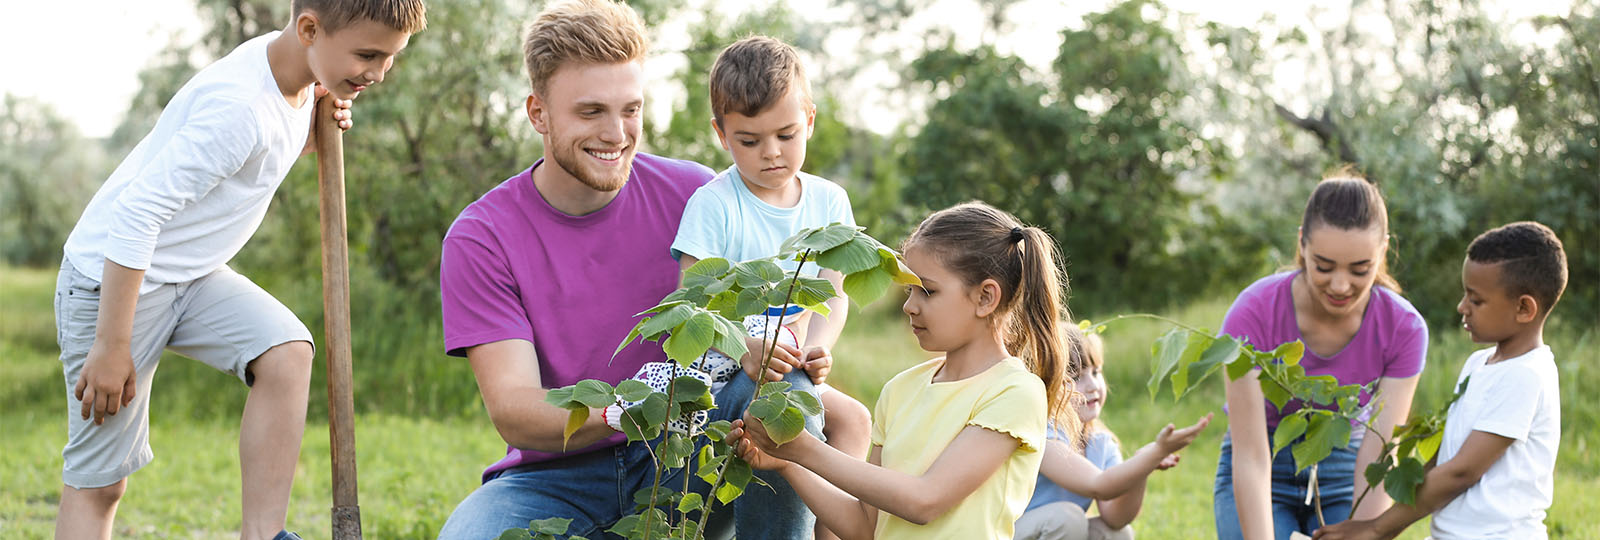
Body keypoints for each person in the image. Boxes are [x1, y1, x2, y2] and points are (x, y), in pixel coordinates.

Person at [435, 2, 823, 538]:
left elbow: (770, 327)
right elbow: (518, 412)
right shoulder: (483, 236)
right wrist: (639, 408)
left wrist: (803, 359)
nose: (617, 133)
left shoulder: (698, 196)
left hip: (689, 457)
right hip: (555, 476)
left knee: (784, 392)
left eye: (630, 109)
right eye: (591, 112)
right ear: (538, 113)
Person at [52, 2, 425, 539]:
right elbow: (137, 214)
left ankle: (263, 534)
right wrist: (112, 346)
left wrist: (313, 129)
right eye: (368, 54)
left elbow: (256, 152)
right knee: (100, 484)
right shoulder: (239, 106)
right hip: (111, 285)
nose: (377, 73)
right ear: (309, 29)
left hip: (191, 275)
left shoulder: (295, 79)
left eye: (390, 58)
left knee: (285, 353)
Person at [729, 201, 1074, 539]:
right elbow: (865, 527)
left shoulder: (1014, 391)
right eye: (909, 290)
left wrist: (803, 449)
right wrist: (788, 464)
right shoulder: (900, 389)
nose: (909, 305)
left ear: (986, 297)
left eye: (927, 290)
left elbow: (925, 501)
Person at [668, 35, 873, 517]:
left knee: (856, 421)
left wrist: (819, 345)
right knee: (786, 408)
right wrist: (745, 349)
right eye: (749, 141)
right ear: (721, 135)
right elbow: (689, 309)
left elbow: (833, 294)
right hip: (717, 379)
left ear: (810, 121)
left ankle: (839, 529)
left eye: (787, 135)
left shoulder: (828, 203)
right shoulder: (715, 204)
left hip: (787, 364)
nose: (772, 153)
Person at [1313, 221, 1567, 540]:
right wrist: (1380, 525)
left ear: (1523, 308)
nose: (1462, 307)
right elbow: (1444, 460)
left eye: (1476, 300)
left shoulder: (1526, 375)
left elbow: (1462, 471)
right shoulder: (1479, 364)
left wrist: (1377, 528)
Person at [1214, 169, 1430, 540]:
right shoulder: (1252, 312)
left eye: (1360, 269)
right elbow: (1249, 454)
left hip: (1347, 466)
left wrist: (1364, 533)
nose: (1341, 285)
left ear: (1382, 251)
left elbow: (1379, 453)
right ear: (1302, 245)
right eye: (1324, 266)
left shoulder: (1404, 328)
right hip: (1263, 458)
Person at [1016, 328, 1212, 540]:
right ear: (1047, 384)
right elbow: (1099, 485)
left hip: (1056, 528)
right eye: (1076, 377)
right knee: (1068, 519)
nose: (1092, 385)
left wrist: (1142, 466)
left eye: (1095, 372)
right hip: (1009, 533)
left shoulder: (1100, 442)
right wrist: (1154, 454)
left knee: (1115, 533)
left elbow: (1116, 517)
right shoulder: (1044, 433)